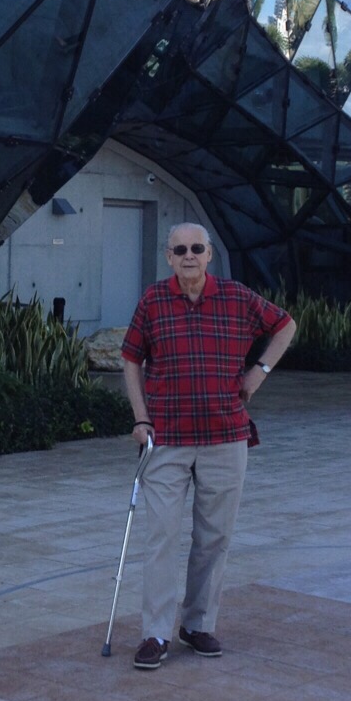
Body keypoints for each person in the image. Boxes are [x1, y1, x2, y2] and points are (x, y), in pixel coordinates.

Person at [121, 224, 295, 670]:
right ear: (168, 257)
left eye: (196, 248)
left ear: (209, 254)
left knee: (214, 538)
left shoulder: (237, 297)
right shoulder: (153, 300)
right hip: (167, 439)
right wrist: (140, 417)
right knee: (161, 536)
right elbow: (131, 359)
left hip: (225, 437)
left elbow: (285, 325)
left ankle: (198, 624)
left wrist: (259, 373)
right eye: (179, 249)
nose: (189, 255)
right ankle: (156, 632)